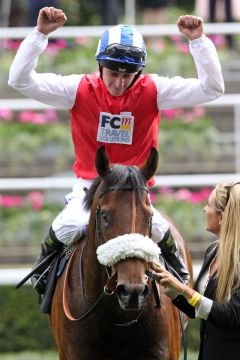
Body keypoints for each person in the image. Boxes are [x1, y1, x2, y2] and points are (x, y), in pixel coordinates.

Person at [8, 7, 224, 296]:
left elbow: (213, 88)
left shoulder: (155, 89)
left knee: (161, 230)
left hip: (134, 189)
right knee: (69, 224)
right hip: (91, 186)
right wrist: (39, 35)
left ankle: (181, 278)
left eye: (129, 74)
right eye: (113, 73)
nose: (120, 82)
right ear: (100, 66)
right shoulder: (77, 88)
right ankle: (43, 274)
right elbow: (19, 80)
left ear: (139, 72)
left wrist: (198, 42)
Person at [151, 180, 240, 360]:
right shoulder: (212, 252)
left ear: (222, 216)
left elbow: (231, 316)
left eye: (209, 205)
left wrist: (184, 289)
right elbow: (196, 310)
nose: (204, 210)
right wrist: (169, 286)